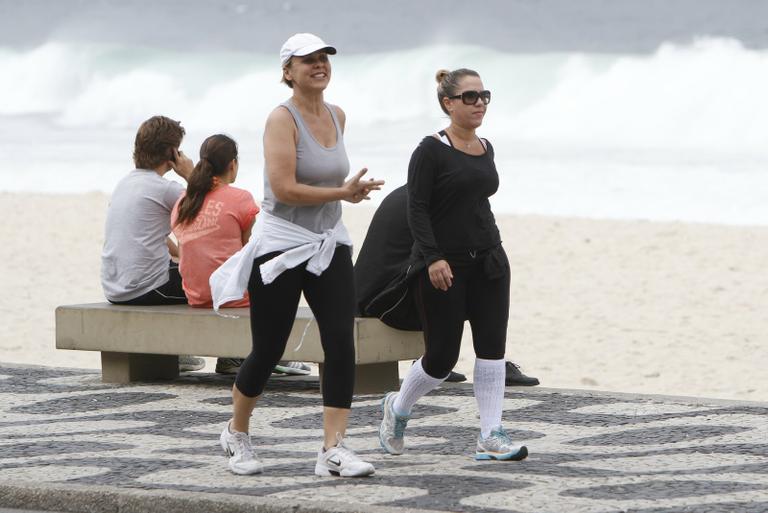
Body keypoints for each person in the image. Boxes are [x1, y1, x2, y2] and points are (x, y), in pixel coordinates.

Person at [210, 33, 384, 477]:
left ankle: (333, 450)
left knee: (341, 343)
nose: (319, 65)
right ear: (288, 71)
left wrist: (345, 195)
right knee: (269, 348)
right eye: (308, 60)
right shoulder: (280, 119)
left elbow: (330, 184)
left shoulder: (337, 115)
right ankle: (237, 432)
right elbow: (283, 187)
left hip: (328, 243)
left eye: (324, 57)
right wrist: (342, 192)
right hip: (281, 245)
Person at [378, 69, 529, 461]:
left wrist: (493, 247)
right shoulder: (430, 149)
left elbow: (479, 202)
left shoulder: (485, 146)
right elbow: (417, 208)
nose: (479, 102)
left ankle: (490, 434)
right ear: (448, 103)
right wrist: (433, 258)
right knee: (441, 360)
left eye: (484, 96)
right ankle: (398, 408)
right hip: (444, 265)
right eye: (470, 96)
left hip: (490, 261)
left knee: (492, 349)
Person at [354, 184, 540, 386]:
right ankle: (488, 361)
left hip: (371, 295)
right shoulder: (437, 203)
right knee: (475, 278)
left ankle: (467, 359)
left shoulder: (414, 192)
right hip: (386, 304)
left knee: (464, 269)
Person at [170, 135, 310, 377]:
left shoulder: (184, 201)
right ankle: (278, 353)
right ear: (232, 164)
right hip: (231, 296)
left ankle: (233, 357)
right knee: (281, 268)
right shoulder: (240, 198)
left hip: (197, 294)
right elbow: (252, 248)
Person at [100, 115, 204, 372]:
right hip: (146, 288)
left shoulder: (125, 183)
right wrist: (192, 175)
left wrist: (181, 256)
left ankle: (175, 350)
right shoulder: (164, 189)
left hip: (115, 287)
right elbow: (216, 208)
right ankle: (234, 356)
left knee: (183, 268)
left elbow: (151, 235)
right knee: (220, 281)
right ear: (172, 153)